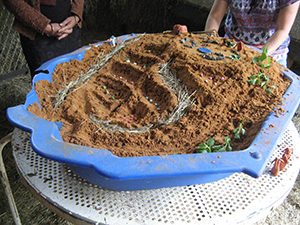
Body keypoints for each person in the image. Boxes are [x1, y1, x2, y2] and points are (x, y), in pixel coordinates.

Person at [205, 0, 300, 66]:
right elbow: (215, 16)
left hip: (270, 54)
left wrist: (260, 56)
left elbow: (282, 30)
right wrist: (209, 39)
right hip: (230, 48)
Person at [4, 0, 84, 77]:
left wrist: (76, 16)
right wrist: (45, 27)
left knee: (77, 76)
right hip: (38, 38)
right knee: (47, 84)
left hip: (70, 31)